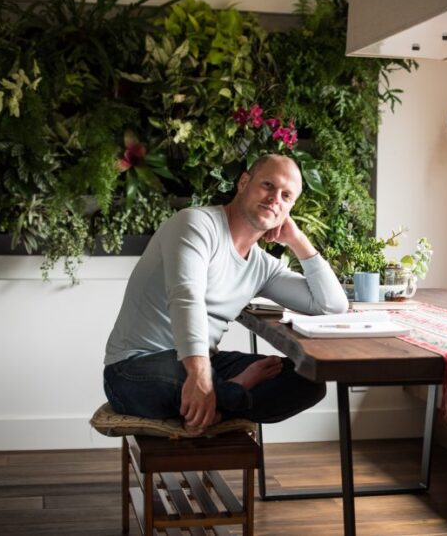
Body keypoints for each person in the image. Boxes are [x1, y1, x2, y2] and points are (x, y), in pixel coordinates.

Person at [103, 154, 348, 435]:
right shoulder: (196, 224)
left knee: (306, 382)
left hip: (204, 361)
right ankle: (232, 393)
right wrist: (201, 375)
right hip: (136, 367)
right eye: (268, 185)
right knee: (178, 378)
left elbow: (331, 305)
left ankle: (219, 401)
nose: (274, 198)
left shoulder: (261, 266)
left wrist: (298, 240)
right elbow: (186, 298)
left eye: (286, 195)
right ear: (244, 182)